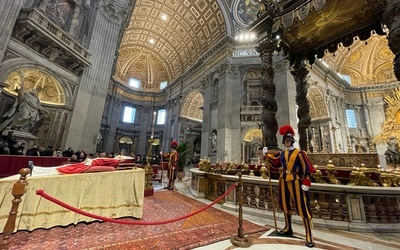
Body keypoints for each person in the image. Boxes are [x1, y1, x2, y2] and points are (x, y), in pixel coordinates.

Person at [263, 124, 316, 248]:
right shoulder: (282, 153)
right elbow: (275, 164)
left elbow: (307, 169)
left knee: (302, 206)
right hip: (283, 180)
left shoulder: (300, 153)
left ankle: (309, 233)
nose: (287, 142)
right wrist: (266, 155)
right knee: (285, 204)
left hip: (296, 181)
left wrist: (306, 183)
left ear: (292, 140)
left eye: (288, 140)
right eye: (285, 140)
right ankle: (288, 228)